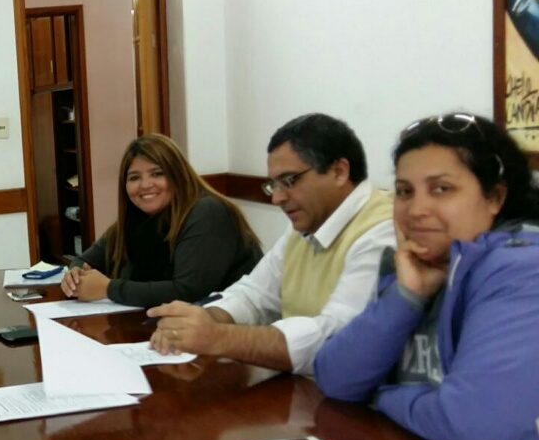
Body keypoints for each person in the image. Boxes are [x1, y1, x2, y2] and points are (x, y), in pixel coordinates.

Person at [315, 113, 539, 440]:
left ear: (495, 197)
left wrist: (384, 397)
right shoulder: (416, 263)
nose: (416, 210)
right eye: (404, 191)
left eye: (441, 189)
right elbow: (336, 378)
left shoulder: (521, 270)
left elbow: (472, 425)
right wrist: (407, 297)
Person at [147, 113, 395, 375]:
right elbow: (255, 294)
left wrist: (219, 337)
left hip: (363, 406)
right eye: (273, 184)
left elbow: (337, 337)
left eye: (289, 181)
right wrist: (206, 318)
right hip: (304, 393)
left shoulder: (383, 230)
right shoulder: (305, 225)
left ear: (339, 171)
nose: (277, 198)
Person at [60, 134, 263, 307]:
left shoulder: (208, 213)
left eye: (157, 174)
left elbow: (187, 291)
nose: (145, 185)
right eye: (134, 178)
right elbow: (85, 260)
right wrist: (75, 275)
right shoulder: (134, 221)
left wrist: (108, 289)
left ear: (178, 175)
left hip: (232, 334)